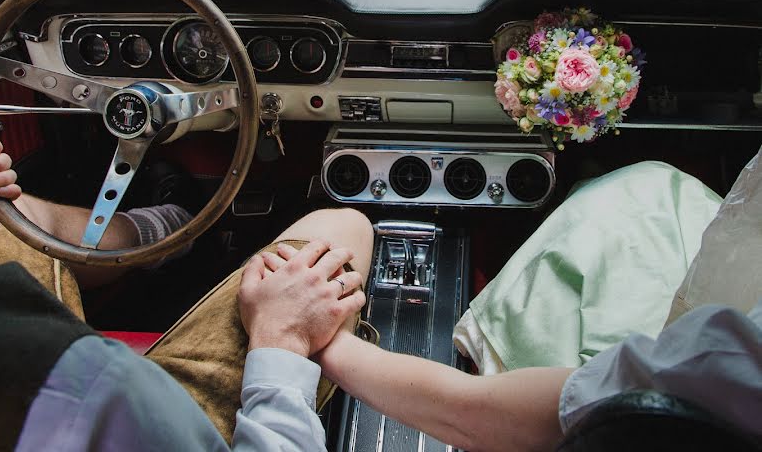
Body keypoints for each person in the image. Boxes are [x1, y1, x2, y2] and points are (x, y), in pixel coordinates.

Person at [0, 125, 374, 451]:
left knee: (9, 220)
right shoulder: (97, 396)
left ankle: (172, 227)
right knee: (342, 227)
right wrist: (280, 342)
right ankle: (179, 224)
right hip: (122, 412)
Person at [262, 156, 762, 451]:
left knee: (344, 225)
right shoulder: (734, 357)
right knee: (654, 184)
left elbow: (471, 413)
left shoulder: (723, 363)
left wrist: (299, 336)